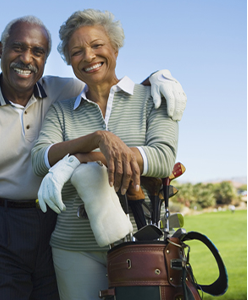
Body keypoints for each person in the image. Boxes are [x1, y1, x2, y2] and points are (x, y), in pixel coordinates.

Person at [0, 15, 186, 300]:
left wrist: (159, 75)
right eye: (17, 48)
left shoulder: (64, 91)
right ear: (0, 50)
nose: (26, 58)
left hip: (51, 217)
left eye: (37, 51)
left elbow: (110, 84)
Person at [31, 9, 179, 300]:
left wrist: (77, 159)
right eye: (76, 51)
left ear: (114, 47)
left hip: (141, 242)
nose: (88, 56)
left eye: (97, 45)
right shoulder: (61, 112)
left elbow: (162, 159)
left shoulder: (154, 97)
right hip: (74, 246)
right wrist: (99, 139)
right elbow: (39, 160)